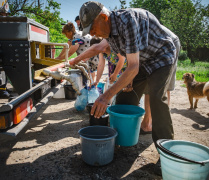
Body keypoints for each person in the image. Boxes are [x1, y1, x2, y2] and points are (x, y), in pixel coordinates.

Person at [68, 1, 181, 175]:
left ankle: (166, 154)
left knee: (157, 98)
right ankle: (119, 140)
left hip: (162, 54)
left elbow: (133, 67)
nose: (92, 33)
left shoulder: (128, 20)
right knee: (124, 98)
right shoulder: (109, 30)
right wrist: (73, 61)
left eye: (93, 29)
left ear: (104, 17)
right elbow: (100, 47)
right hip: (143, 59)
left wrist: (105, 96)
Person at [141, 25, 180, 134]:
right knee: (159, 85)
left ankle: (149, 124)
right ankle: (152, 121)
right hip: (166, 42)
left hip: (169, 43)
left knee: (154, 85)